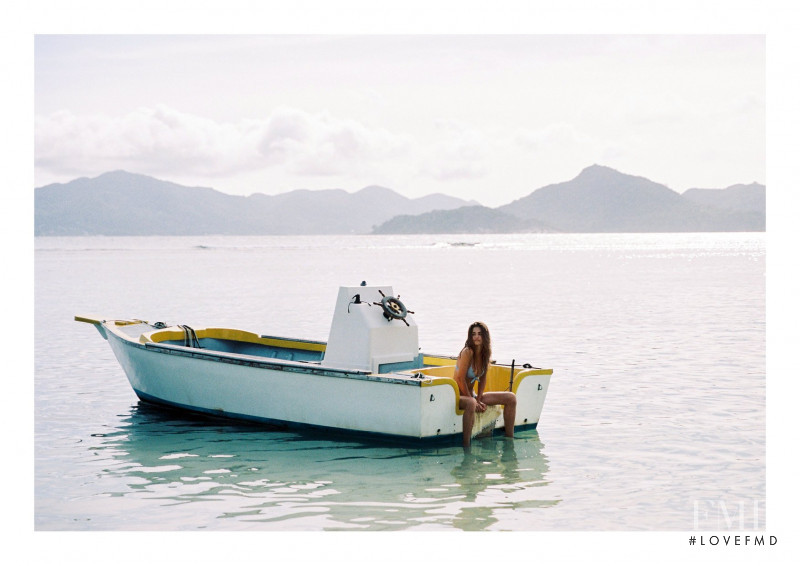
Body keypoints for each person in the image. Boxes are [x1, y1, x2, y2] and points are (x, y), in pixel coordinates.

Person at [454, 321, 517, 448]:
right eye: (473, 334)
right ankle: (466, 446)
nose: (476, 337)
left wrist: (479, 397)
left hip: (471, 395)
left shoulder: (485, 353)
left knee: (511, 398)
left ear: (485, 336)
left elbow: (482, 379)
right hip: (458, 395)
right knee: (471, 403)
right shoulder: (468, 352)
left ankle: (509, 439)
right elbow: (460, 379)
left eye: (479, 334)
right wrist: (474, 401)